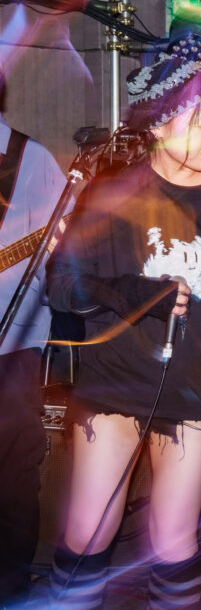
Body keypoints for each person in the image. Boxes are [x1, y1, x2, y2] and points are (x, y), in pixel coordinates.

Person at [46, 34, 201, 608]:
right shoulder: (114, 191)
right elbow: (60, 285)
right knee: (86, 533)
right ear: (160, 127)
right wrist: (133, 293)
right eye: (199, 123)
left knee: (172, 541)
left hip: (194, 392)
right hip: (115, 382)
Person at [0, 75, 66, 604]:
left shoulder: (31, 159)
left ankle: (11, 587)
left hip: (12, 347)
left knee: (13, 475)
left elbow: (63, 247)